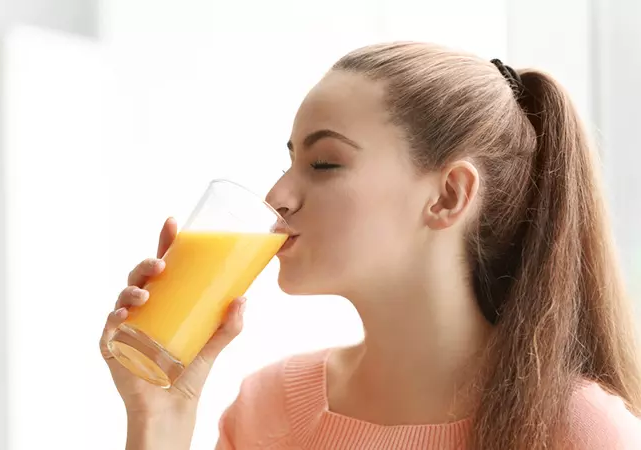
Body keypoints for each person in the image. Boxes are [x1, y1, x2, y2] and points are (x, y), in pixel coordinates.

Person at [100, 42, 641, 449]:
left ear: (449, 195)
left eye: (324, 163)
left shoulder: (578, 432)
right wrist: (158, 421)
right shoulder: (266, 409)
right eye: (289, 162)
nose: (277, 196)